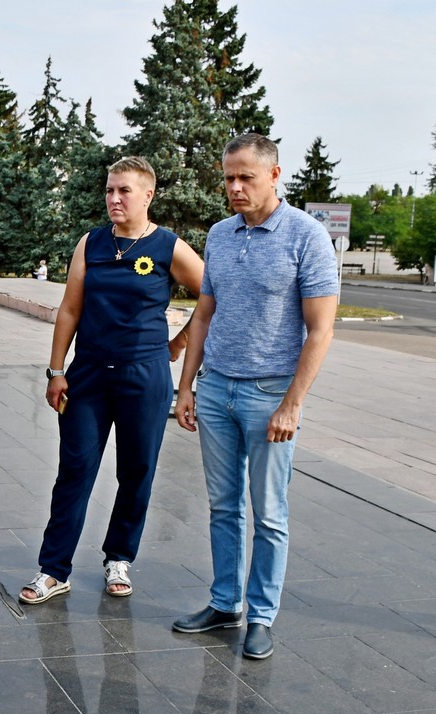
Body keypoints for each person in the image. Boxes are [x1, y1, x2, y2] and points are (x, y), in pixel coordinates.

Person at [172, 133, 338, 660]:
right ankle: (225, 603)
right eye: (228, 178)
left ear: (274, 175)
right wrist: (187, 387)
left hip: (271, 396)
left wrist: (292, 403)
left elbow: (321, 330)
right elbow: (204, 314)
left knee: (268, 513)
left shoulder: (306, 237)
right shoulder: (220, 235)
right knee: (224, 507)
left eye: (246, 177)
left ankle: (261, 615)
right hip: (217, 389)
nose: (235, 187)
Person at [20, 156, 203, 605]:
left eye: (124, 190)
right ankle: (53, 569)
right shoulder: (92, 243)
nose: (114, 198)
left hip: (145, 376)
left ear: (148, 195)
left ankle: (118, 557)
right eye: (109, 190)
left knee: (136, 471)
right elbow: (70, 309)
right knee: (75, 469)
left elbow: (213, 297)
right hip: (88, 378)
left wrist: (178, 343)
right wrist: (57, 370)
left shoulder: (169, 246)